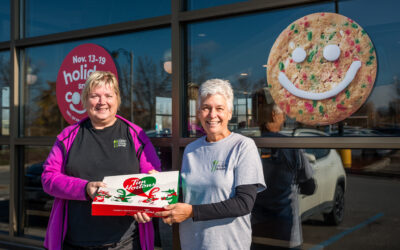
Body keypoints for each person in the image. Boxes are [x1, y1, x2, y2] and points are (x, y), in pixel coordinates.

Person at [41, 71, 161, 250]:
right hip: (75, 242)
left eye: (108, 95)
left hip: (125, 243)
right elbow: (48, 178)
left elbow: (153, 177)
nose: (102, 102)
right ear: (85, 101)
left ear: (117, 99)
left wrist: (147, 201)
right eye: (94, 96)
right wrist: (84, 188)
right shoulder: (68, 136)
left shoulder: (135, 135)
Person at [155, 79, 266, 250]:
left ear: (229, 113)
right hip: (192, 243)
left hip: (229, 245)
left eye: (219, 108)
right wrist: (155, 188)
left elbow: (244, 203)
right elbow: (185, 194)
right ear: (199, 113)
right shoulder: (191, 150)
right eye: (206, 108)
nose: (212, 114)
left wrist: (192, 212)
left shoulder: (243, 146)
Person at [251, 91, 314, 249]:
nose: (285, 118)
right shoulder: (291, 146)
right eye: (283, 114)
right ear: (274, 115)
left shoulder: (249, 146)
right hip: (286, 227)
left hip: (255, 227)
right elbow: (309, 186)